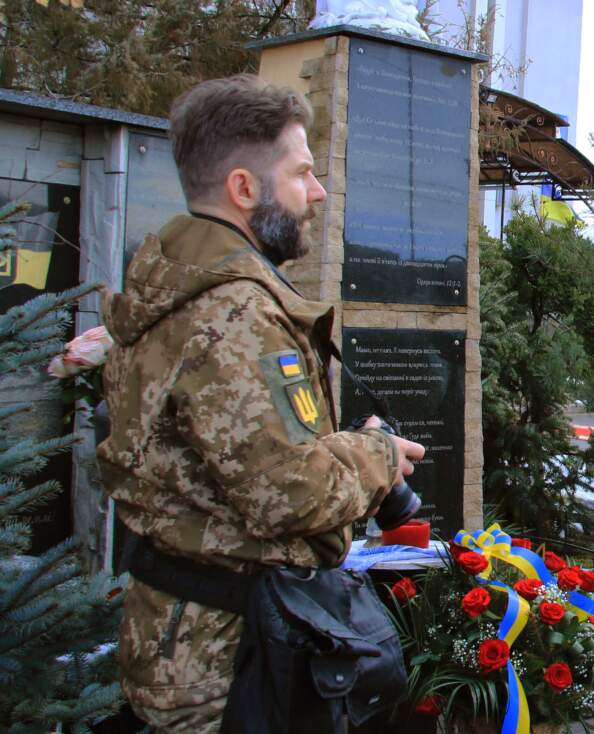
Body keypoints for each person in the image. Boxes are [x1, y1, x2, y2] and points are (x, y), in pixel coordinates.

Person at [96, 75, 425, 733]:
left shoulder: (179, 285)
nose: (318, 192)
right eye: (301, 173)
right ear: (244, 189)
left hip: (189, 640)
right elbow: (288, 492)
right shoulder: (233, 314)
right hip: (230, 663)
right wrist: (377, 455)